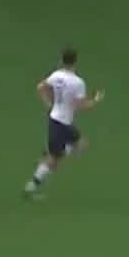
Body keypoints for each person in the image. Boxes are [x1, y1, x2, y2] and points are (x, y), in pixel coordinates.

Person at [23, 48, 104, 200]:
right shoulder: (78, 82)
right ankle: (31, 186)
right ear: (75, 62)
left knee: (75, 148)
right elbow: (82, 106)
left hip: (55, 119)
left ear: (62, 60)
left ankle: (48, 159)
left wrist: (48, 105)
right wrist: (96, 100)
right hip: (63, 123)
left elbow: (40, 87)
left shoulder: (56, 75)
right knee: (65, 155)